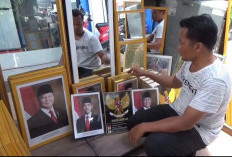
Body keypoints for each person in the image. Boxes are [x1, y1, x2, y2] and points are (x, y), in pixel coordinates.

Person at [127, 14, 232, 156]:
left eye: (181, 42)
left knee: (154, 144)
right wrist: (145, 73)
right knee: (133, 122)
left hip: (199, 128)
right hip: (177, 110)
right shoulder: (190, 61)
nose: (178, 47)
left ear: (197, 46)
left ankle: (186, 150)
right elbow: (173, 82)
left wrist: (146, 126)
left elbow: (186, 123)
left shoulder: (216, 80)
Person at [72, 9, 110, 78]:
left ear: (83, 23)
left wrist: (107, 62)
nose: (75, 27)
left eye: (78, 24)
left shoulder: (91, 38)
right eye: (73, 24)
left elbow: (102, 54)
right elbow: (64, 57)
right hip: (76, 69)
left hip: (90, 69)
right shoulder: (68, 37)